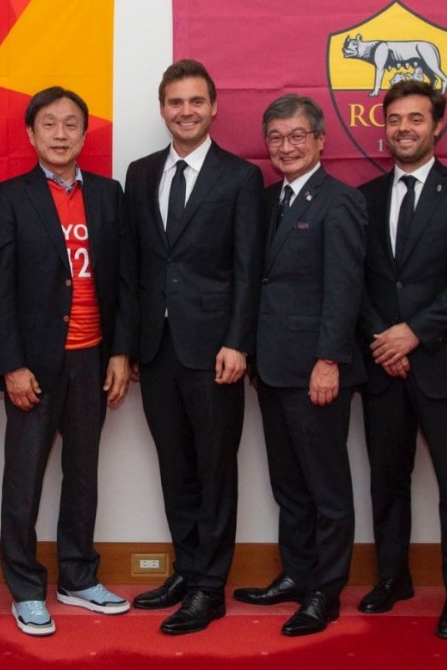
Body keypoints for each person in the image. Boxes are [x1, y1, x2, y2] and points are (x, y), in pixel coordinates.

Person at [0, 87, 132, 637]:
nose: (61, 134)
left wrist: (121, 350)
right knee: (23, 479)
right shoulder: (9, 196)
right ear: (31, 134)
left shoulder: (110, 195)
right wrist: (11, 365)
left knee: (83, 474)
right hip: (36, 366)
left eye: (71, 124)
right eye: (50, 124)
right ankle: (24, 587)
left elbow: (124, 279)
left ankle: (77, 576)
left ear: (85, 133)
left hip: (92, 360)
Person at [123, 59, 264, 635]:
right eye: (176, 102)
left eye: (196, 102)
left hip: (214, 352)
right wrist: (128, 344)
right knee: (174, 467)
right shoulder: (139, 172)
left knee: (214, 470)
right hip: (156, 349)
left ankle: (210, 587)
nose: (186, 111)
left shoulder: (240, 177)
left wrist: (238, 341)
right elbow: (134, 266)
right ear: (162, 108)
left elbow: (248, 268)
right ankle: (186, 569)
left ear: (213, 107)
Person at [356, 79, 447, 640]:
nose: (403, 129)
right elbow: (354, 280)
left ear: (436, 125)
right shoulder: (362, 198)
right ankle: (393, 579)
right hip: (380, 365)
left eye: (415, 119)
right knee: (387, 481)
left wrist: (413, 334)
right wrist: (382, 338)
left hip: (445, 362)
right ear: (382, 126)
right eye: (394, 120)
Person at [233, 95, 366, 636]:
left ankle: (325, 592)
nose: (285, 147)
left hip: (316, 369)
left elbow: (345, 288)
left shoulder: (341, 201)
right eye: (276, 138)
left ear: (319, 141)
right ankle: (296, 573)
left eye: (296, 137)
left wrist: (329, 359)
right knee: (288, 483)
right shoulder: (265, 201)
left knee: (326, 487)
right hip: (270, 366)